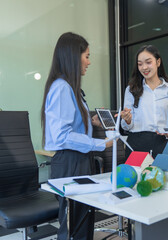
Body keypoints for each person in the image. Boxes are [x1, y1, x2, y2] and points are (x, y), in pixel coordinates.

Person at [41, 32, 111, 240]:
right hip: (70, 161)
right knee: (73, 227)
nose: (89, 62)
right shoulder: (62, 88)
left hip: (78, 160)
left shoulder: (70, 88)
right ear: (73, 56)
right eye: (87, 56)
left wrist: (92, 122)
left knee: (82, 221)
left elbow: (71, 124)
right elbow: (62, 136)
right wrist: (101, 143)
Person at [120, 45, 168, 158]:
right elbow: (126, 126)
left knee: (162, 175)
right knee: (135, 175)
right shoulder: (131, 90)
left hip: (161, 144)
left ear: (158, 62)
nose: (144, 67)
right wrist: (127, 120)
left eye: (148, 62)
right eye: (140, 64)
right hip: (136, 144)